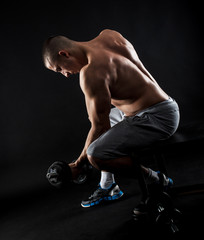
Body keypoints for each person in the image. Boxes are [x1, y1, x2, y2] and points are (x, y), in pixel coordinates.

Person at [42, 29, 180, 210]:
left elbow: (100, 127)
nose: (65, 74)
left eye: (60, 68)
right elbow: (102, 121)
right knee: (103, 117)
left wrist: (78, 164)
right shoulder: (109, 35)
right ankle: (108, 186)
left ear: (64, 54)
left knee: (96, 154)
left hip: (157, 118)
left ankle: (157, 180)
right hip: (165, 106)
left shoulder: (91, 72)